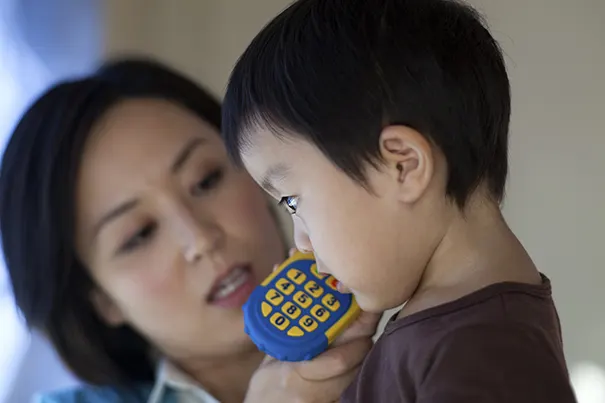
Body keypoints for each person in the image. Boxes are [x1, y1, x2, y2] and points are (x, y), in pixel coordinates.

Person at [221, 0, 578, 401]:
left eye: (292, 200)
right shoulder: (463, 331)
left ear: (403, 166)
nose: (300, 242)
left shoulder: (486, 356)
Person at [0, 58, 378, 403]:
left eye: (206, 180)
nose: (201, 238)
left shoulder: (416, 329)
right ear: (101, 300)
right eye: (140, 234)